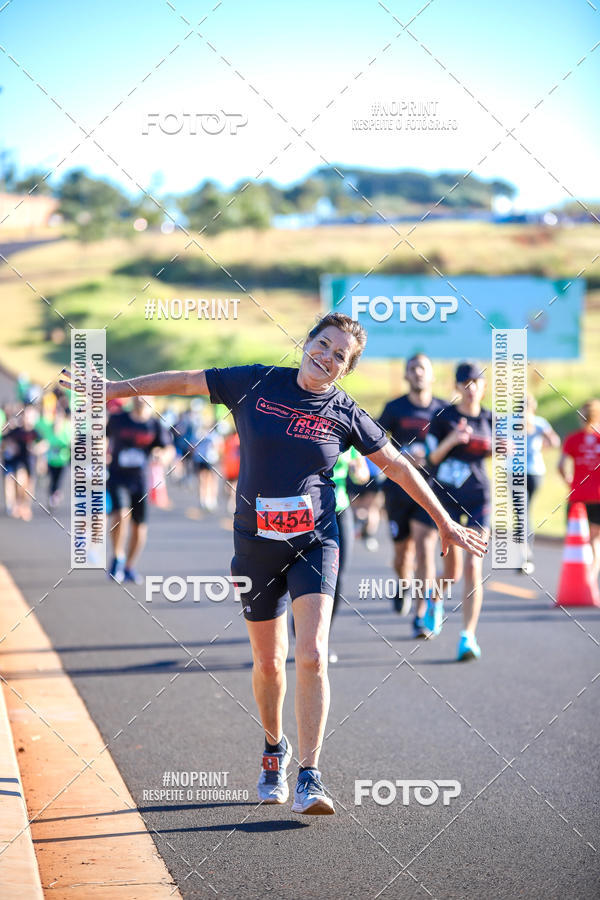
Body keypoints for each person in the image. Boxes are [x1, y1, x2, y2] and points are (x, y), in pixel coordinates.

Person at [59, 313, 487, 815]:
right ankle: (272, 749)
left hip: (315, 542)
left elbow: (396, 464)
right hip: (255, 546)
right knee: (268, 663)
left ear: (345, 369)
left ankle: (310, 773)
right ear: (306, 343)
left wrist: (443, 521)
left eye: (338, 355)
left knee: (311, 654)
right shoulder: (256, 381)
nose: (325, 356)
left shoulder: (345, 411)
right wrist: (114, 389)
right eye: (322, 344)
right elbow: (187, 381)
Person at [415, 361, 492, 661]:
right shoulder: (444, 417)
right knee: (453, 572)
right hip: (446, 498)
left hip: (478, 498)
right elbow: (432, 456)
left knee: (474, 567)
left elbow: (498, 450)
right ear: (457, 387)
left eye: (476, 382)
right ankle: (435, 600)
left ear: (484, 386)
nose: (471, 388)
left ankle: (468, 636)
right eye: (465, 383)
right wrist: (454, 439)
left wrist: (503, 449)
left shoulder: (489, 418)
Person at [378, 354, 445, 632]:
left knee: (425, 548)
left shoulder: (444, 410)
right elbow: (376, 442)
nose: (417, 373)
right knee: (402, 556)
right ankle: (403, 583)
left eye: (422, 368)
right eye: (412, 369)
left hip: (429, 489)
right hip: (398, 490)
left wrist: (429, 456)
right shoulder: (394, 408)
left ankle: (421, 614)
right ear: (406, 376)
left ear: (431, 376)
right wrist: (403, 455)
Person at [105, 395, 172, 583]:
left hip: (140, 481)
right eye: (138, 395)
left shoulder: (155, 426)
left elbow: (168, 449)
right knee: (121, 515)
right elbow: (103, 436)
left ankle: (129, 566)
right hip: (118, 476)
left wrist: (162, 456)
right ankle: (117, 558)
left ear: (152, 401)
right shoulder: (118, 419)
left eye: (146, 397)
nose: (141, 399)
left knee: (140, 527)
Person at [517, 395, 559, 574]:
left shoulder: (513, 422)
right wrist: (540, 448)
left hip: (517, 471)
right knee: (526, 511)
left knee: (521, 513)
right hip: (535, 471)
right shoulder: (540, 422)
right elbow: (555, 441)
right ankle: (525, 553)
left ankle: (524, 554)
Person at [559, 399, 600, 581]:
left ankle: (579, 580)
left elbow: (560, 465)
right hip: (597, 497)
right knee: (594, 541)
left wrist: (568, 480)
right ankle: (589, 581)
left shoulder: (573, 439)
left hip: (578, 496)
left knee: (577, 540)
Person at [2, 405, 40, 521]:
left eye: (30, 417)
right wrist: (10, 446)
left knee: (29, 486)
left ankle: (25, 506)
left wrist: (36, 448)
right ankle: (17, 505)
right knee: (19, 481)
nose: (27, 419)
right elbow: (5, 440)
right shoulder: (16, 431)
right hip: (19, 462)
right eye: (26, 416)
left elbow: (43, 443)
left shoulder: (34, 432)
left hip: (30, 462)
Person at [36, 404, 72, 508]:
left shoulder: (67, 426)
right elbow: (46, 442)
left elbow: (70, 442)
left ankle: (55, 494)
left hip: (63, 459)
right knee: (52, 478)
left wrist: (63, 446)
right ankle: (52, 495)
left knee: (58, 479)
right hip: (51, 459)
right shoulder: (50, 428)